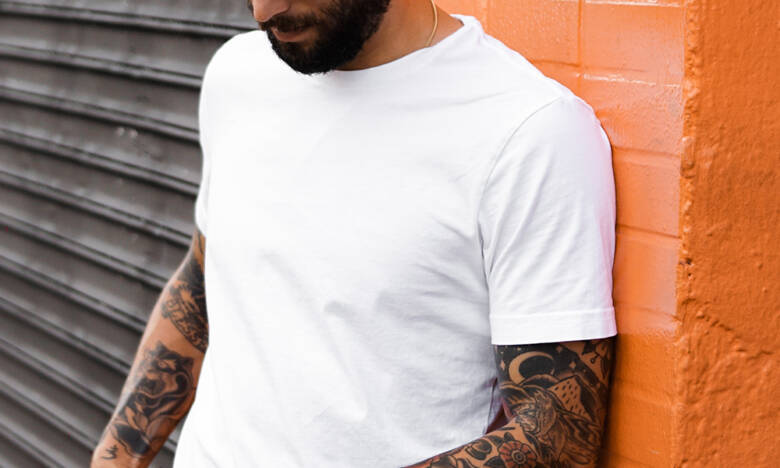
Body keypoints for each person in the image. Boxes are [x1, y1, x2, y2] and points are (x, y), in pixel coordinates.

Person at [91, 0, 617, 466]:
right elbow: (206, 280)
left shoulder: (529, 131)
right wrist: (114, 458)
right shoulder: (238, 73)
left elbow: (558, 437)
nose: (264, 11)